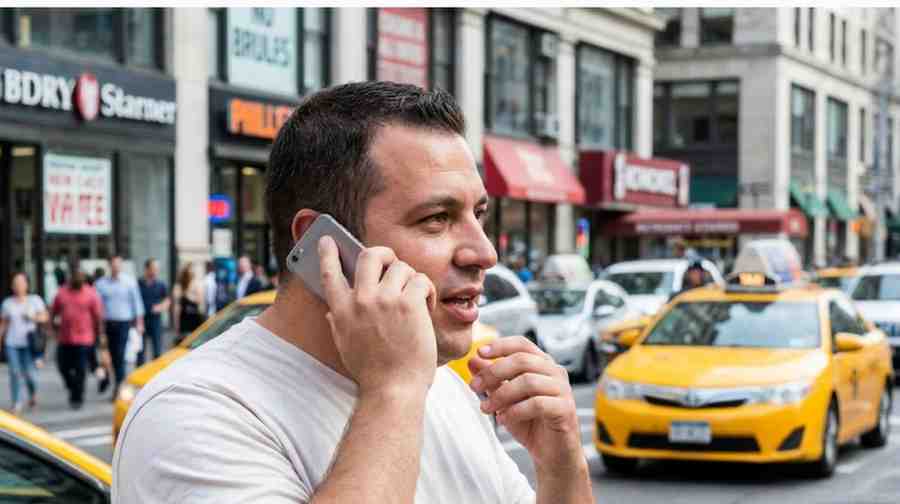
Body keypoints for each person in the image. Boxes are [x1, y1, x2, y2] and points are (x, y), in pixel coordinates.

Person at [114, 82, 592, 503]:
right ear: (326, 247)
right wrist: (393, 392)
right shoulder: (195, 414)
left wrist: (562, 467)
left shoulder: (439, 386)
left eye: (479, 215)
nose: (483, 252)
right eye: (436, 219)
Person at [51, 269, 104, 410]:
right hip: (65, 338)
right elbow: (53, 312)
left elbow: (98, 317)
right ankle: (71, 386)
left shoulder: (91, 293)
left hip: (84, 339)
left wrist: (100, 335)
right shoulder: (62, 293)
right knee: (63, 366)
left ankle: (77, 397)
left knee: (81, 370)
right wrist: (52, 329)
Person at [95, 256, 145, 400]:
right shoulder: (101, 284)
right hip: (108, 324)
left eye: (118, 265)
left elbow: (137, 304)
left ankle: (119, 387)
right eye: (113, 265)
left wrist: (139, 323)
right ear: (109, 266)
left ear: (121, 266)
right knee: (109, 356)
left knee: (120, 355)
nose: (116, 267)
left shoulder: (129, 282)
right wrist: (99, 328)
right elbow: (97, 307)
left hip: (124, 324)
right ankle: (113, 381)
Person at [0, 273, 48, 414]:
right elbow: (3, 324)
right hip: (12, 343)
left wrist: (32, 316)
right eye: (15, 283)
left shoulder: (34, 300)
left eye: (21, 283)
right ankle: (16, 402)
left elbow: (45, 317)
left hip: (29, 344)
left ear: (27, 284)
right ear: (12, 286)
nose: (18, 286)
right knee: (14, 372)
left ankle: (32, 394)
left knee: (30, 375)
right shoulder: (7, 303)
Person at [137, 259, 170, 366]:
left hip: (155, 320)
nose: (156, 271)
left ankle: (156, 375)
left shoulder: (160, 284)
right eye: (153, 269)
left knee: (157, 350)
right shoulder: (138, 283)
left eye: (157, 269)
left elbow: (167, 300)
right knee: (140, 351)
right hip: (141, 320)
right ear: (147, 269)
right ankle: (140, 375)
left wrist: (160, 307)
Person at [172, 263, 205, 344]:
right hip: (184, 320)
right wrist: (176, 324)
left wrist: (188, 295)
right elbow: (176, 308)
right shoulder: (178, 286)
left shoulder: (196, 284)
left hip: (195, 318)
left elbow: (200, 300)